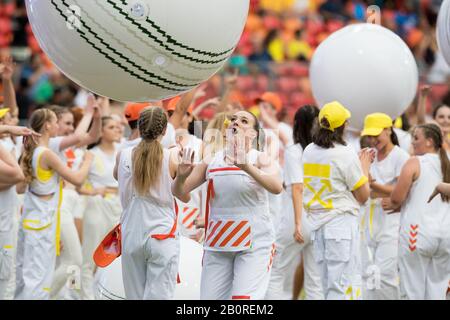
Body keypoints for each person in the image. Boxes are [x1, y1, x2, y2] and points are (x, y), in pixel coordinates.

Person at [172, 110, 283, 300]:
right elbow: (179, 192)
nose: (235, 122)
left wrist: (246, 167)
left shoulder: (260, 157)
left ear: (254, 133)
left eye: (243, 120)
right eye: (233, 119)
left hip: (254, 245)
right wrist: (181, 177)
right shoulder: (211, 159)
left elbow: (276, 187)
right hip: (217, 244)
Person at [15, 108, 93, 300]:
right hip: (41, 225)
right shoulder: (47, 154)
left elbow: (19, 188)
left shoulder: (34, 152)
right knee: (38, 281)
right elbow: (78, 179)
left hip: (37, 222)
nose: (58, 125)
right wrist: (87, 161)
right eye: (55, 122)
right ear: (48, 126)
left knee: (31, 278)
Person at [302, 101, 373, 300]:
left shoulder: (309, 151)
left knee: (327, 285)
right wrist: (364, 167)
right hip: (340, 224)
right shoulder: (345, 154)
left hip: (317, 224)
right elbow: (363, 195)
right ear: (342, 126)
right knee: (342, 286)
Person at [114, 107, 182, 299]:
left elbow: (116, 177)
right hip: (162, 232)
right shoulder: (172, 157)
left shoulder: (123, 155)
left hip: (131, 232)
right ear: (164, 130)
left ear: (139, 128)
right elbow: (183, 192)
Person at [265, 105, 323, 300]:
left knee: (275, 272)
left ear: (297, 125)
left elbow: (297, 187)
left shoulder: (294, 150)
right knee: (314, 279)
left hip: (296, 218)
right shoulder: (321, 151)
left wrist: (298, 223)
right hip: (319, 219)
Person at [390, 123, 450, 300]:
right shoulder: (447, 162)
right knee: (437, 292)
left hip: (417, 233)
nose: (413, 143)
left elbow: (396, 199)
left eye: (416, 138)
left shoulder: (415, 162)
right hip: (446, 235)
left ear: (430, 142)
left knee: (411, 290)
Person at [359, 113, 410, 300]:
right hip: (369, 222)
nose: (373, 140)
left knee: (386, 274)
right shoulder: (368, 155)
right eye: (369, 135)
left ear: (388, 130)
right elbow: (364, 191)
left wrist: (374, 186)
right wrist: (382, 191)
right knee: (369, 274)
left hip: (391, 223)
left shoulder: (401, 156)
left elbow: (403, 191)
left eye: (376, 134)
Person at [78, 116, 122, 300]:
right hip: (97, 205)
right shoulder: (92, 154)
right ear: (101, 131)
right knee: (91, 254)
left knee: (116, 256)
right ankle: (86, 296)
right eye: (112, 127)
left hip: (120, 205)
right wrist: (94, 190)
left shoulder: (123, 150)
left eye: (118, 126)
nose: (118, 129)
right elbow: (77, 184)